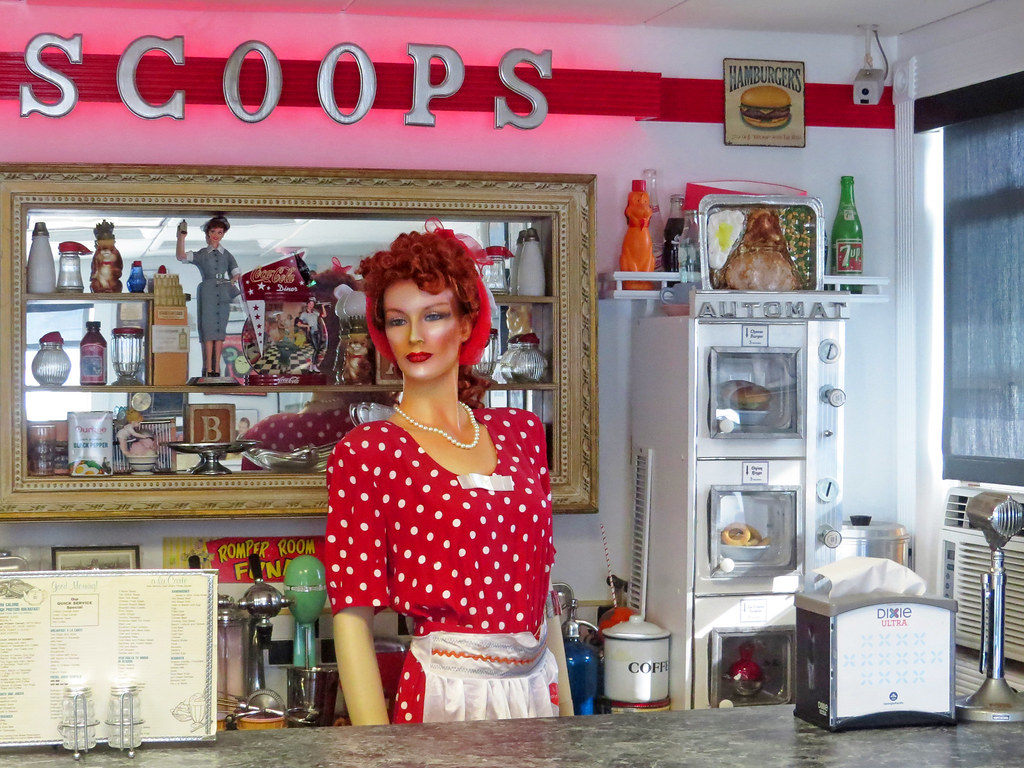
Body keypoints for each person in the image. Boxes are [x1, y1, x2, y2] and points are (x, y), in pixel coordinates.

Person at [324, 228, 572, 725]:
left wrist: (567, 720)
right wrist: (380, 752)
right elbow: (353, 614)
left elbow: (542, 599)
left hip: (534, 694)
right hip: (442, 698)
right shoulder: (370, 452)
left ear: (465, 325)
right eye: (398, 321)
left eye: (433, 315)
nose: (414, 337)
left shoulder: (521, 433)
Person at [176, 216, 240, 377]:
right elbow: (181, 256)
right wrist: (181, 237)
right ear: (207, 233)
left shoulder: (227, 254)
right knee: (208, 330)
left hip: (223, 293)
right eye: (213, 231)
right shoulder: (203, 254)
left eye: (220, 232)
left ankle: (217, 368)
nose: (216, 235)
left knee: (219, 332)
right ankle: (208, 368)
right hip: (208, 292)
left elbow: (236, 272)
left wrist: (232, 282)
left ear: (223, 234)